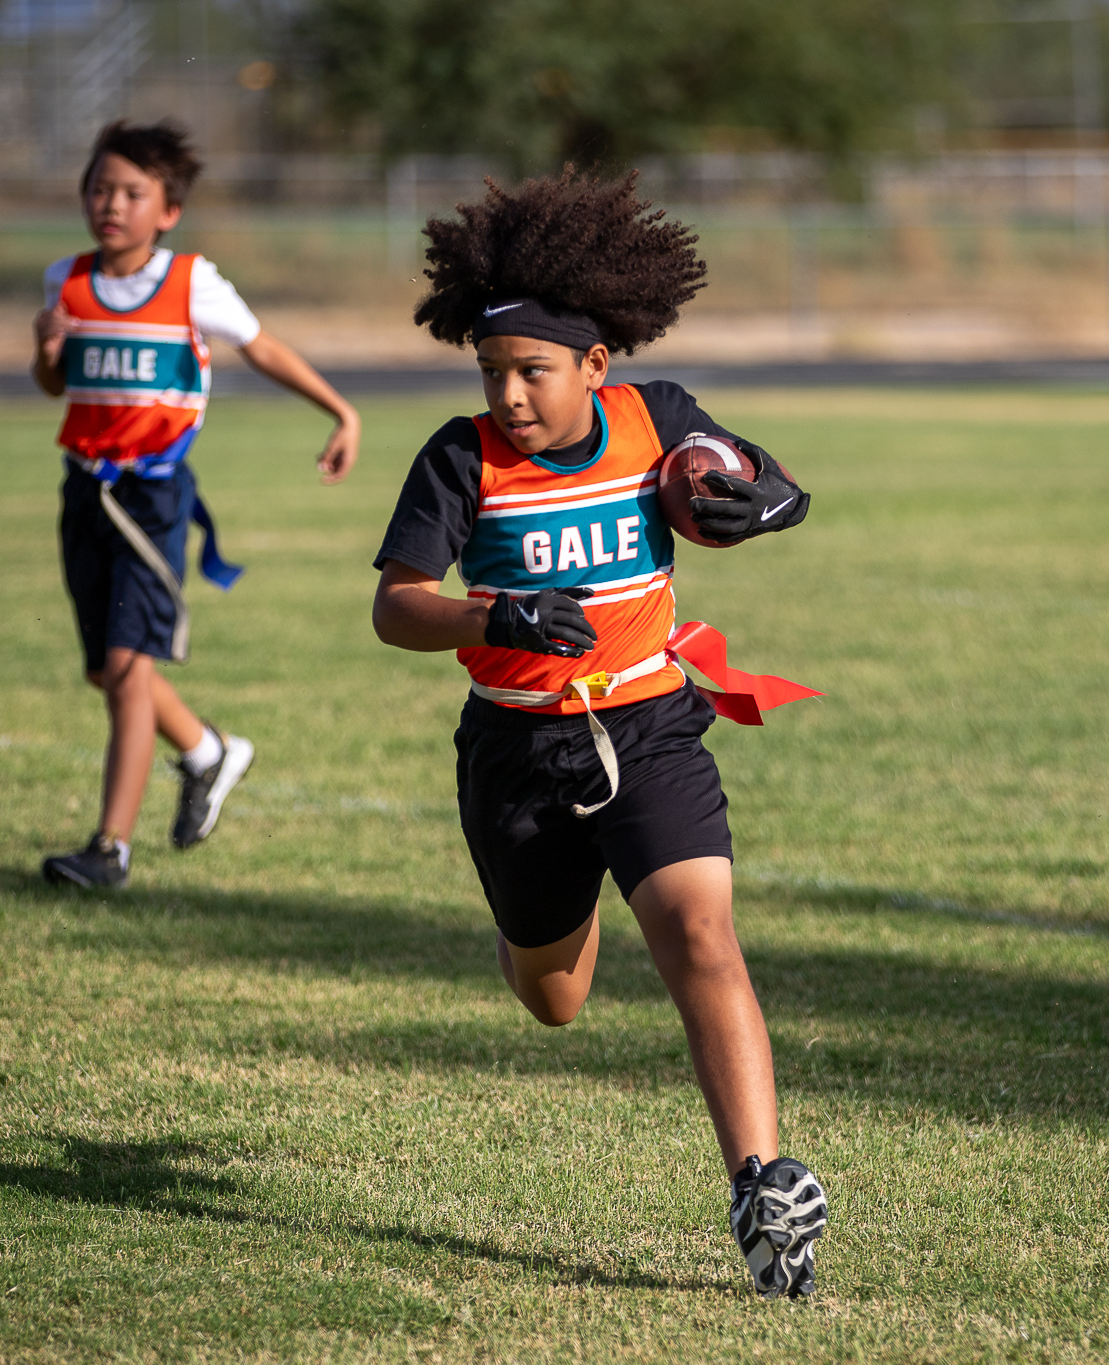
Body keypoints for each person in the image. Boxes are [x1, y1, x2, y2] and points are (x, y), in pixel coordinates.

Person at [369, 168, 828, 1298]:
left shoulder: (655, 418)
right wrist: (494, 613)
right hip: (518, 752)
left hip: (649, 725)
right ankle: (532, 930)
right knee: (553, 999)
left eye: (530, 370)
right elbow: (394, 605)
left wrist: (769, 498)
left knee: (699, 937)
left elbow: (750, 477)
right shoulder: (460, 456)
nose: (510, 394)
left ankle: (763, 1188)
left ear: (593, 366)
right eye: (492, 373)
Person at [31, 120, 361, 889]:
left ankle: (109, 848)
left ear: (168, 210)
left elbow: (261, 345)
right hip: (83, 487)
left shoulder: (190, 283)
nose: (110, 203)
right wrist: (46, 351)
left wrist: (340, 411)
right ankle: (209, 750)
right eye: (99, 187)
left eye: (131, 192)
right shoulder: (64, 280)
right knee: (107, 672)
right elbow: (56, 385)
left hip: (152, 495)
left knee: (125, 669)